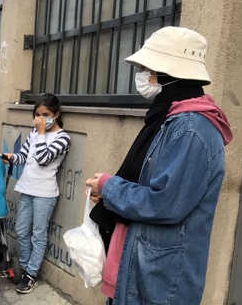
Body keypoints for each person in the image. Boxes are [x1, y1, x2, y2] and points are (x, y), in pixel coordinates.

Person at [85, 26, 233, 305]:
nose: (143, 76)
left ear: (170, 74)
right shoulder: (170, 119)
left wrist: (111, 187)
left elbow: (165, 203)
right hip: (143, 268)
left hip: (160, 282)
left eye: (148, 68)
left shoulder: (190, 128)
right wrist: (107, 191)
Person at [3, 93, 71, 294]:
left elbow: (42, 158)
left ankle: (31, 274)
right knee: (22, 231)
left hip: (45, 193)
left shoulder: (62, 138)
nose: (41, 119)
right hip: (27, 188)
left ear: (56, 114)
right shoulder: (34, 133)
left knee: (38, 235)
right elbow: (24, 156)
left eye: (46, 114)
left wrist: (41, 132)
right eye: (38, 115)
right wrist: (11, 157)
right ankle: (25, 268)